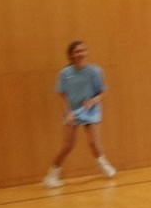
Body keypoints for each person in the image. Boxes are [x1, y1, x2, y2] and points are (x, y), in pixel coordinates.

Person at [43, 41, 117, 189]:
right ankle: (51, 175)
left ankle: (102, 164)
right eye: (77, 51)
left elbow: (102, 91)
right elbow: (62, 95)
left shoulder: (95, 71)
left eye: (83, 50)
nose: (81, 54)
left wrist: (93, 101)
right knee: (68, 146)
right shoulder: (65, 73)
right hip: (72, 113)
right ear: (71, 55)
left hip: (91, 111)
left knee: (94, 143)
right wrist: (68, 113)